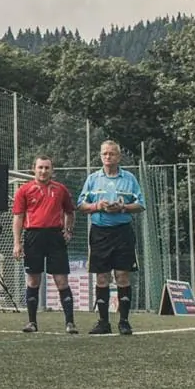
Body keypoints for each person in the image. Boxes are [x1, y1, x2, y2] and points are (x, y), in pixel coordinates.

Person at [77, 140, 144, 335]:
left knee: (122, 276)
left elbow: (140, 204)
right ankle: (103, 322)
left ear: (118, 157)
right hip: (100, 232)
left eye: (112, 154)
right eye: (105, 154)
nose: (108, 157)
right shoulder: (92, 179)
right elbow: (81, 204)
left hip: (123, 231)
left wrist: (122, 207)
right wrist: (98, 206)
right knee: (102, 277)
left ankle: (124, 321)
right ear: (100, 156)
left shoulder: (129, 178)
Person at [11, 155, 77, 334]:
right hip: (33, 236)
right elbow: (18, 217)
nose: (43, 171)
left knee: (61, 280)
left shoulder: (61, 190)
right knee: (33, 280)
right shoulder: (24, 190)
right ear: (34, 169)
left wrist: (68, 230)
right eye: (40, 167)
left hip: (55, 237)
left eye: (47, 168)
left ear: (52, 170)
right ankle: (32, 322)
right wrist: (17, 243)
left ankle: (70, 323)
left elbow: (70, 212)